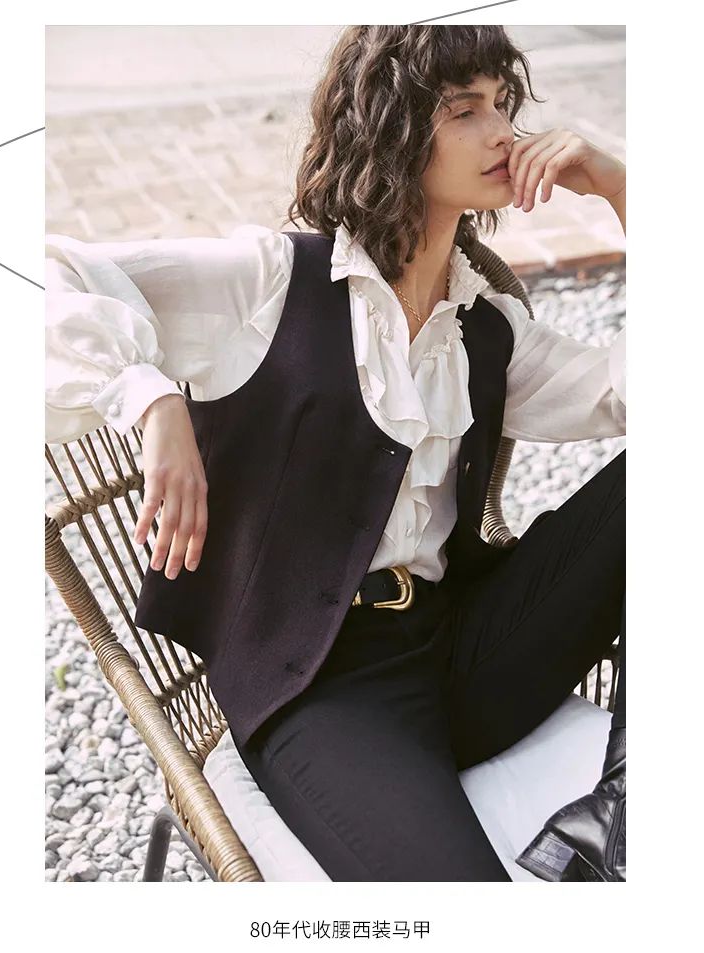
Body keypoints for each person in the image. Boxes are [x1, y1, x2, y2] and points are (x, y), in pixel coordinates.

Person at [45, 24, 626, 883]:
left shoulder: (485, 326)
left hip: (468, 645)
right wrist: (152, 401)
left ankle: (620, 805)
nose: (505, 133)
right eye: (465, 110)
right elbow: (42, 276)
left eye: (505, 105)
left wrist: (622, 188)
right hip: (321, 683)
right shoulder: (268, 282)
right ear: (394, 128)